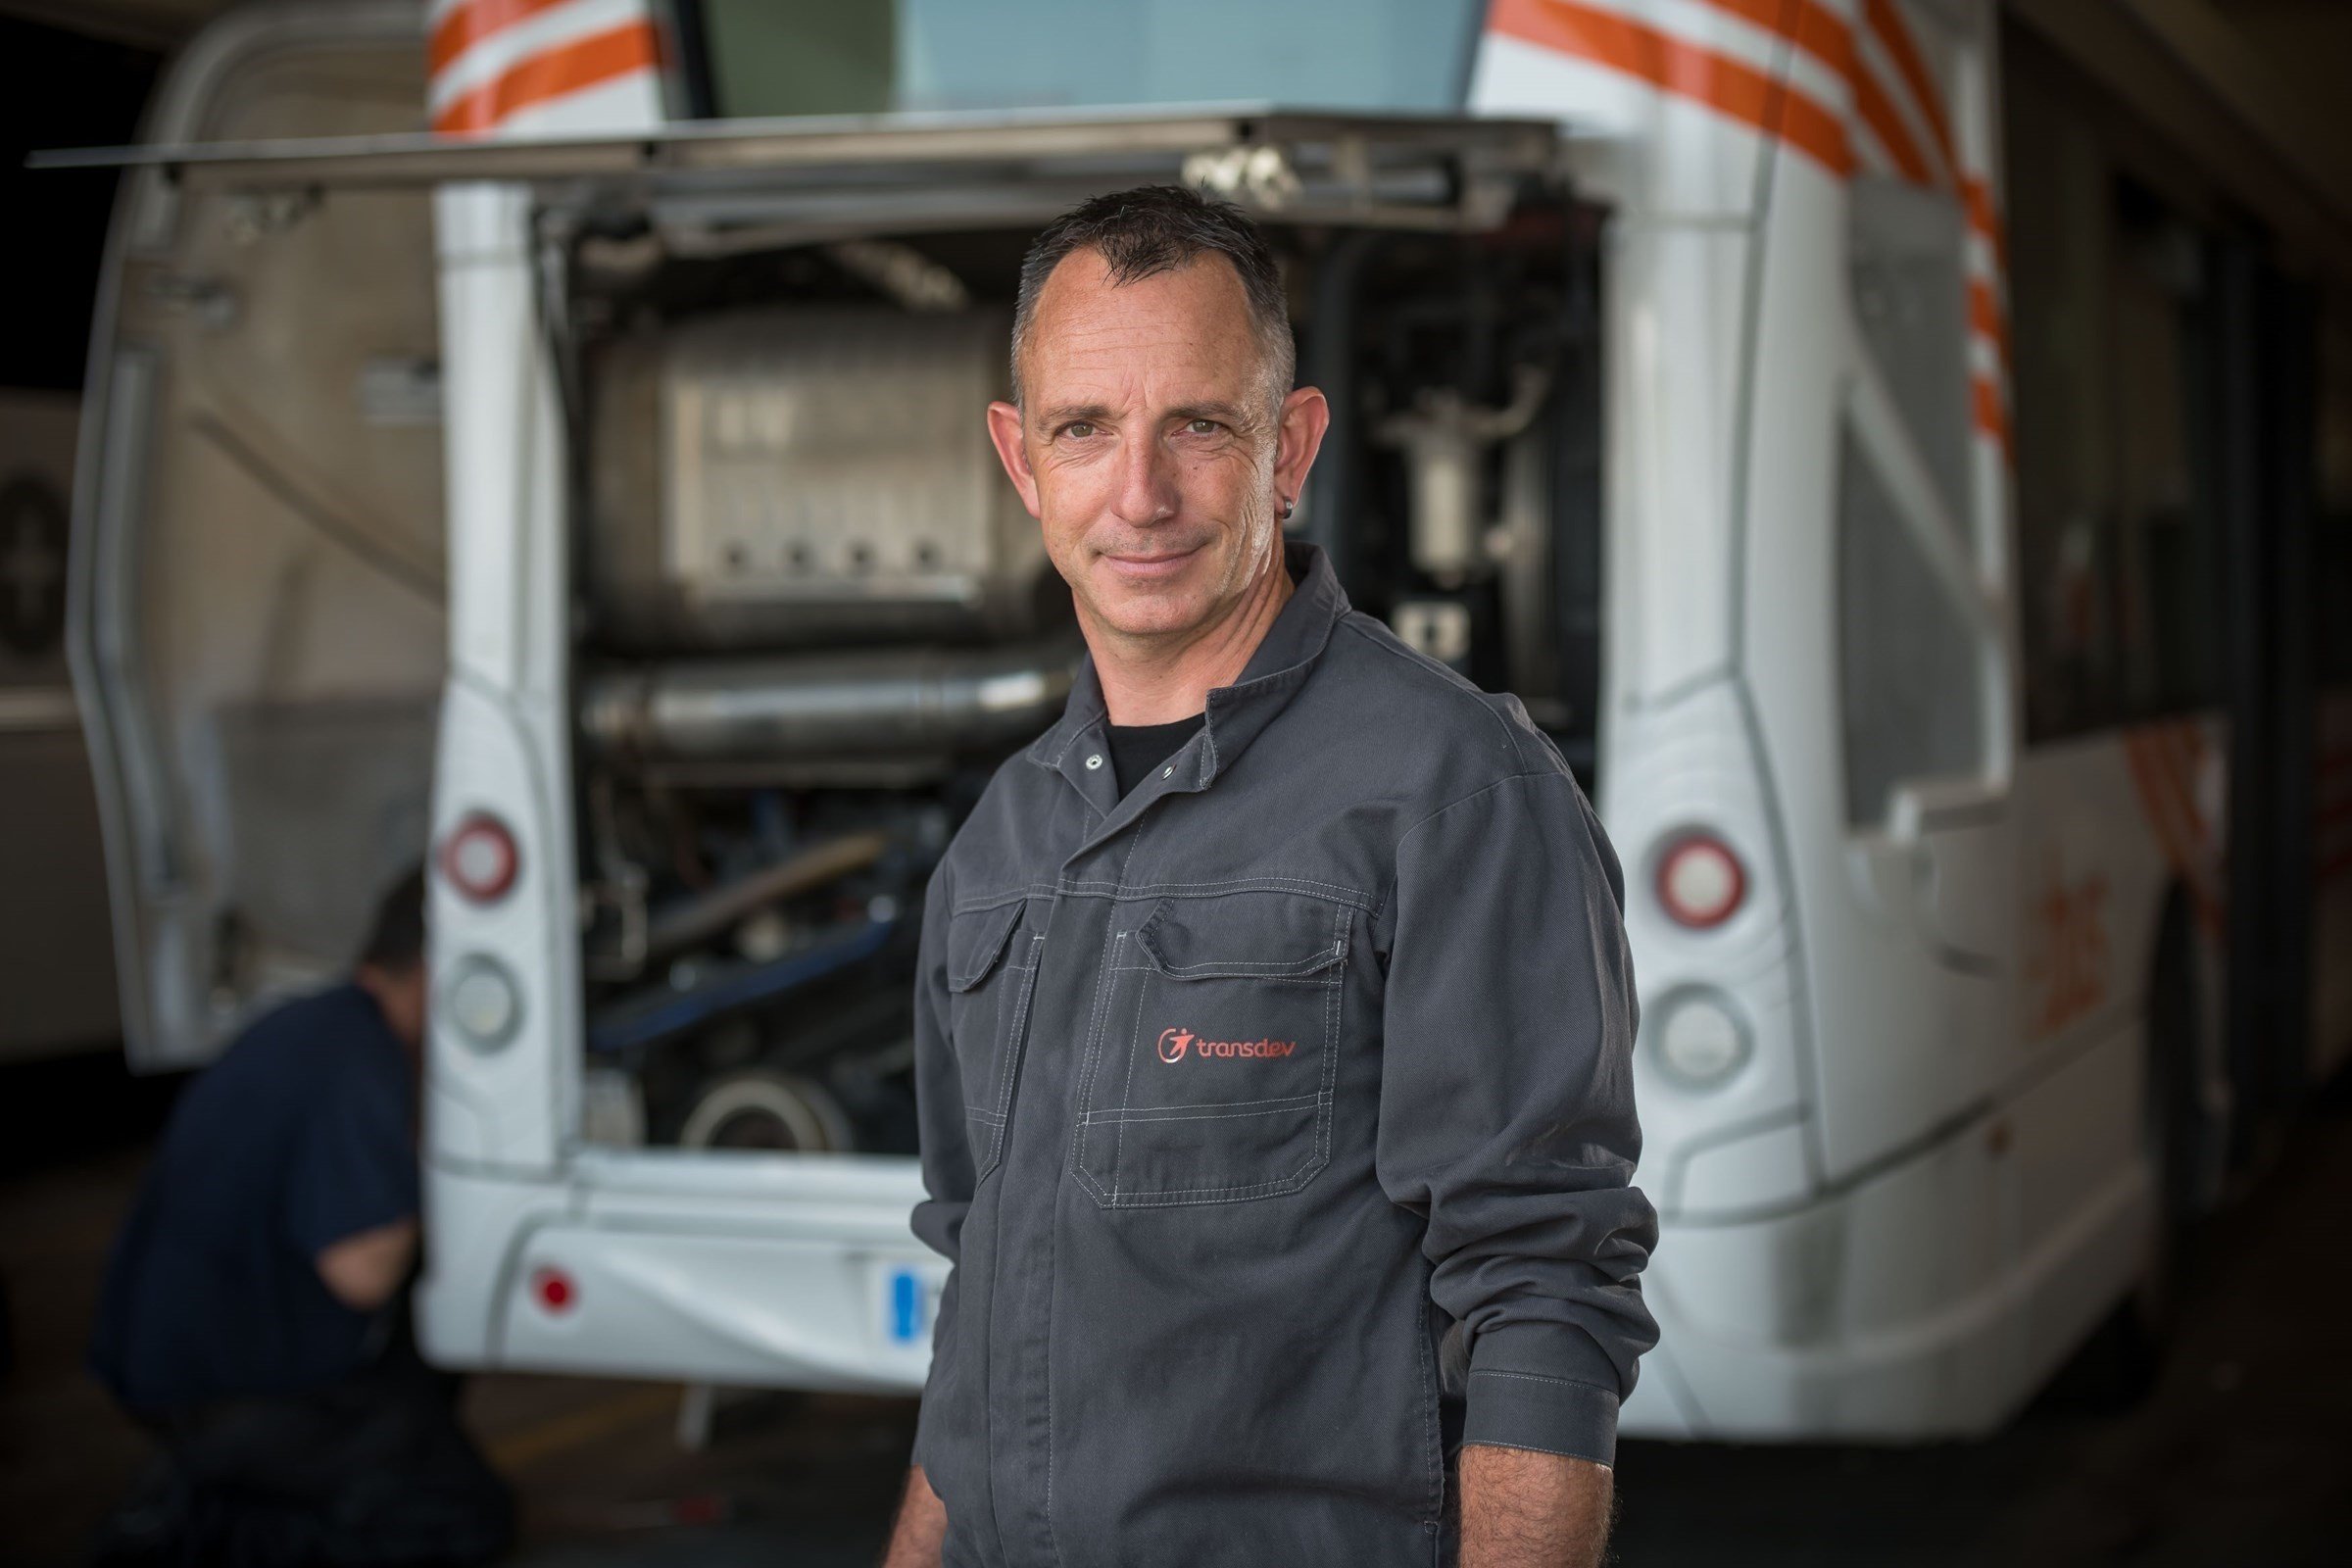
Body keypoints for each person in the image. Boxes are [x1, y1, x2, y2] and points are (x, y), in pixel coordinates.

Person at [883, 186, 1657, 1568]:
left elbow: (1545, 1286)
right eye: (1084, 429)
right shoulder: (1001, 845)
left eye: (1199, 424)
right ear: (1020, 461)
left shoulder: (1451, 791)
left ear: (1290, 446)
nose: (1140, 494)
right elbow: (979, 1290)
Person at [87, 867, 513, 1568]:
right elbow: (364, 1274)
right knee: (463, 1516)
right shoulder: (361, 1061)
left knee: (421, 1406)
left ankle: (228, 1487)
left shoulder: (318, 1024)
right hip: (223, 1395)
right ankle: (187, 1529)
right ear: (443, 972)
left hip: (186, 1369)